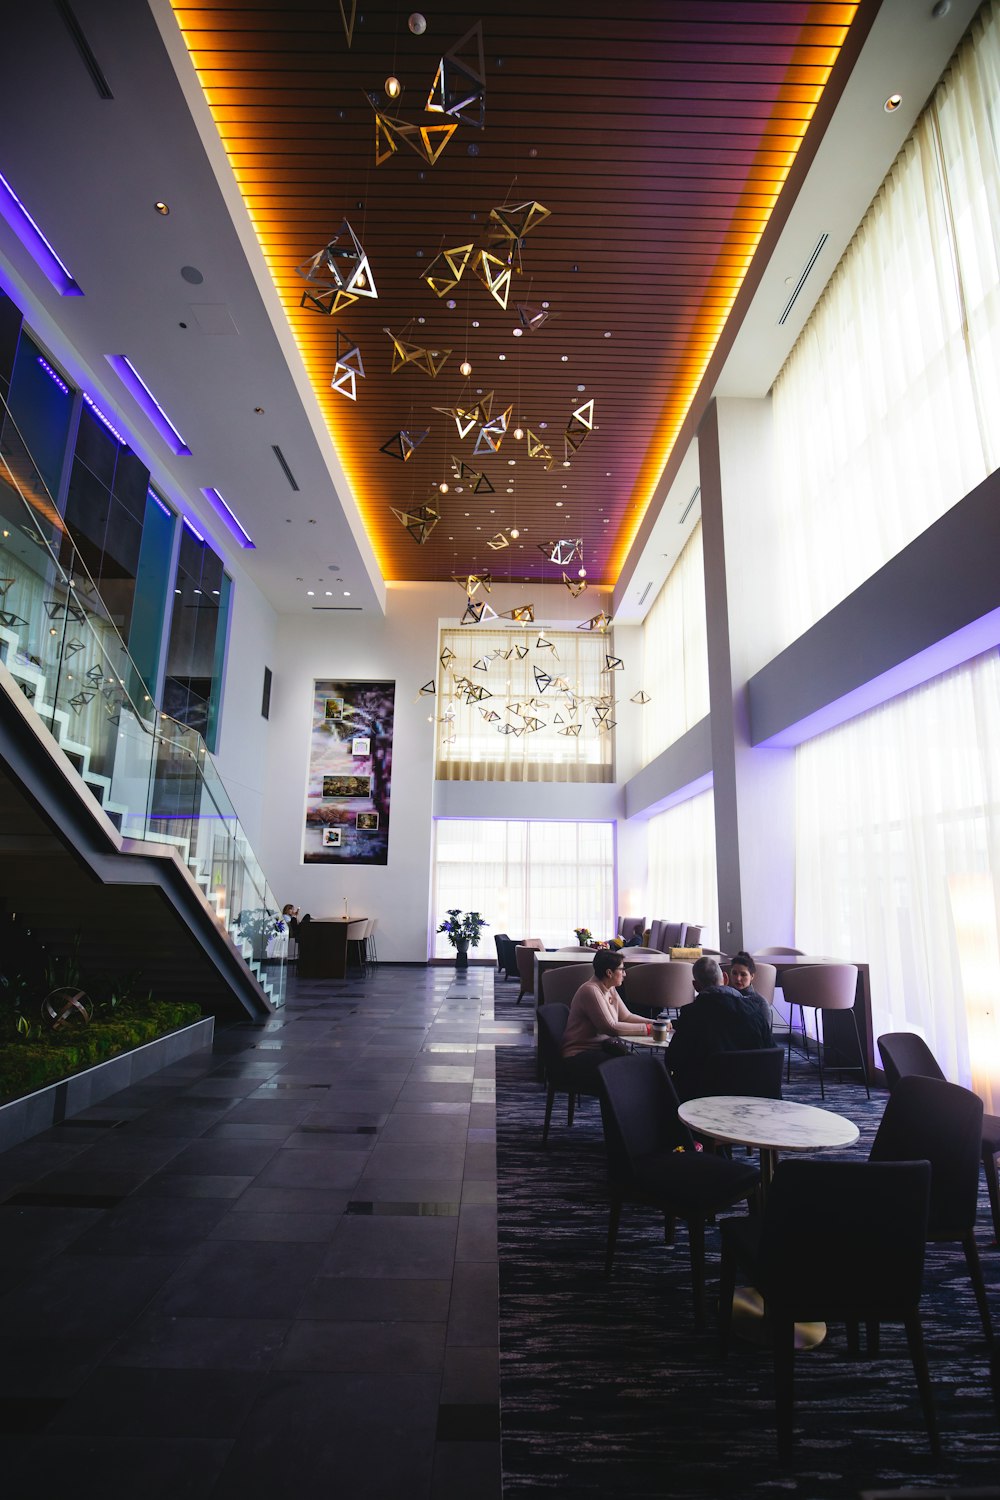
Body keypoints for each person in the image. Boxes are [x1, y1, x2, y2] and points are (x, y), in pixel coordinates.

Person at [667, 954, 773, 1101]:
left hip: (704, 1095)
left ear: (695, 986)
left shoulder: (691, 1014)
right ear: (725, 978)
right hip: (752, 1093)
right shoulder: (756, 1010)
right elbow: (770, 1055)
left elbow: (673, 1060)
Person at [561, 949, 658, 1085]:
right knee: (628, 1069)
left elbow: (626, 1016)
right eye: (622, 969)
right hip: (580, 1053)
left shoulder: (609, 988)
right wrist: (648, 1029)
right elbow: (610, 1027)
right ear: (609, 973)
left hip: (601, 1048)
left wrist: (656, 1023)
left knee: (638, 1065)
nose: (625, 974)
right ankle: (619, 1103)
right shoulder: (591, 991)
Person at [725, 951, 773, 1034]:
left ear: (752, 976)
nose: (738, 978)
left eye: (743, 974)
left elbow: (766, 1035)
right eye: (734, 973)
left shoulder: (761, 1004)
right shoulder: (724, 998)